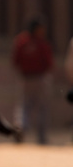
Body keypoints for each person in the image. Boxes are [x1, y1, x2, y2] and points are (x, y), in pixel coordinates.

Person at [12, 16, 53, 144]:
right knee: (42, 108)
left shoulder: (21, 41)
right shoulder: (41, 43)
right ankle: (41, 137)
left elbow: (15, 60)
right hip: (39, 78)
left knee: (24, 106)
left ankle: (20, 128)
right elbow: (49, 62)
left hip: (25, 78)